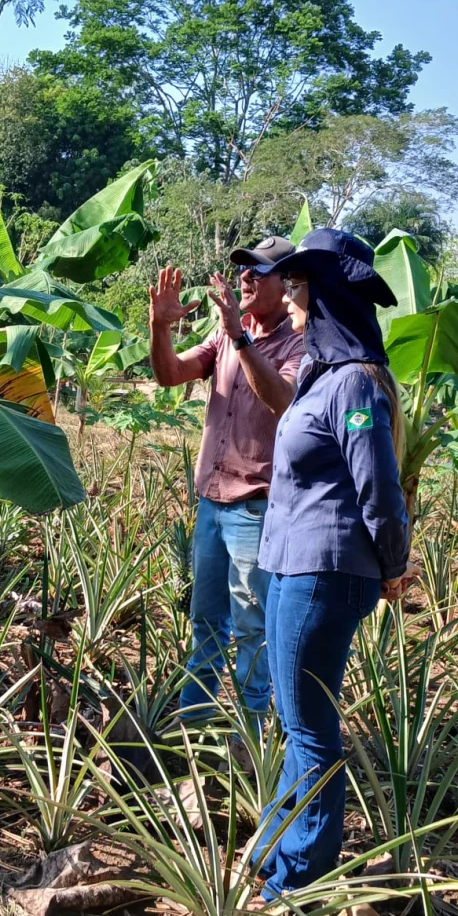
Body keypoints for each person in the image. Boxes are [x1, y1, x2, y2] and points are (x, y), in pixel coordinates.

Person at [253, 227, 412, 903]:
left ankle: (300, 879)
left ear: (324, 299)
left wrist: (394, 565)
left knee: (311, 729)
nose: (288, 295)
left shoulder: (353, 386)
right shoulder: (322, 378)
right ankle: (275, 852)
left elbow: (378, 485)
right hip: (294, 565)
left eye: (297, 285)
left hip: (325, 570)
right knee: (295, 719)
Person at [148, 238, 306, 729]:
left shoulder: (300, 345)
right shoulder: (222, 339)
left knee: (251, 625)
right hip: (211, 503)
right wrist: (160, 326)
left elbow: (282, 398)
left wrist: (241, 337)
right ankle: (193, 727)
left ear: (288, 286)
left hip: (255, 507)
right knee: (206, 622)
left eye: (260, 272)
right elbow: (170, 373)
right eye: (244, 270)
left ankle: (250, 733)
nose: (246, 278)